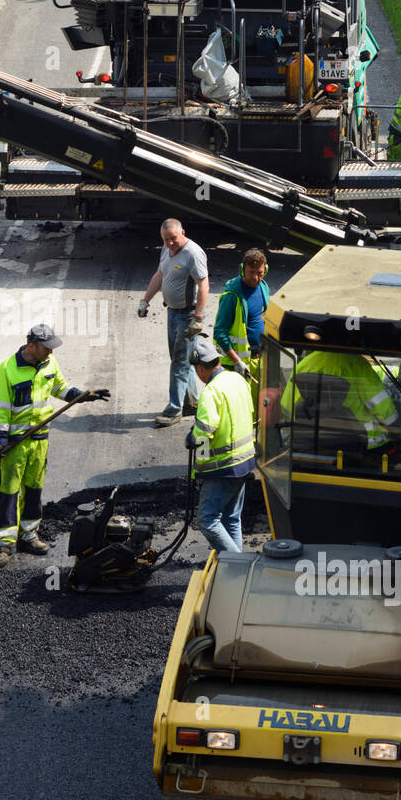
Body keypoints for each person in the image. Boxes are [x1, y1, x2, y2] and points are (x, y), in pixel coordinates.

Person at [0, 324, 108, 570]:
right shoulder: (8, 369)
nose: (51, 353)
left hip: (40, 440)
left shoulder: (49, 365)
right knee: (10, 494)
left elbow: (60, 388)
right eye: (47, 348)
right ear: (31, 345)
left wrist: (83, 395)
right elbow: (1, 406)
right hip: (15, 444)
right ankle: (4, 544)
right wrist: (1, 441)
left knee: (34, 491)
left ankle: (28, 536)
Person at [138, 217, 209, 426]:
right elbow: (160, 275)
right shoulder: (166, 249)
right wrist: (145, 300)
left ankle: (173, 410)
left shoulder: (193, 254)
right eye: (166, 239)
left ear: (183, 233)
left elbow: (204, 285)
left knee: (179, 363)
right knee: (181, 360)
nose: (169, 243)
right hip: (172, 313)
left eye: (173, 239)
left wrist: (198, 317)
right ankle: (192, 402)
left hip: (187, 316)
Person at [188, 337, 255, 553]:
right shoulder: (237, 380)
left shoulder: (211, 391)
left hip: (223, 467)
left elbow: (206, 429)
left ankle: (239, 566)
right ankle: (236, 568)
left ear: (200, 368)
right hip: (245, 462)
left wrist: (192, 437)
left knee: (207, 520)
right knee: (231, 518)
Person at [280, 350, 399, 454]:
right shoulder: (358, 364)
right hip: (362, 444)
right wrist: (398, 432)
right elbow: (384, 411)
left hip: (311, 442)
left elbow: (287, 407)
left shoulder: (304, 365)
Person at [213, 248, 269, 398]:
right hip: (237, 365)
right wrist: (236, 361)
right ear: (243, 269)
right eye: (251, 272)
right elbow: (219, 332)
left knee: (257, 406)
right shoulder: (232, 296)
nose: (256, 278)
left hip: (259, 359)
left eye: (260, 273)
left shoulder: (263, 287)